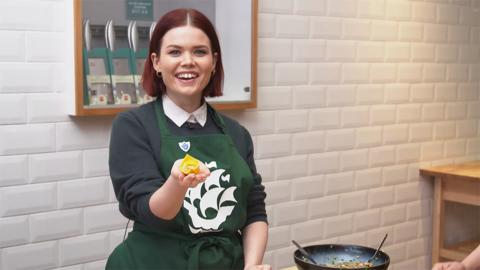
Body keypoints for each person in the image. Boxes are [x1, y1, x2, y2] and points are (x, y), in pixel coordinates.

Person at [106, 8, 270, 270]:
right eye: (175, 52)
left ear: (214, 62)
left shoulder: (237, 133)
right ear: (156, 62)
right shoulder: (133, 127)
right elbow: (151, 213)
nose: (188, 61)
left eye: (199, 52)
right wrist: (177, 183)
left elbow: (255, 211)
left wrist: (251, 265)